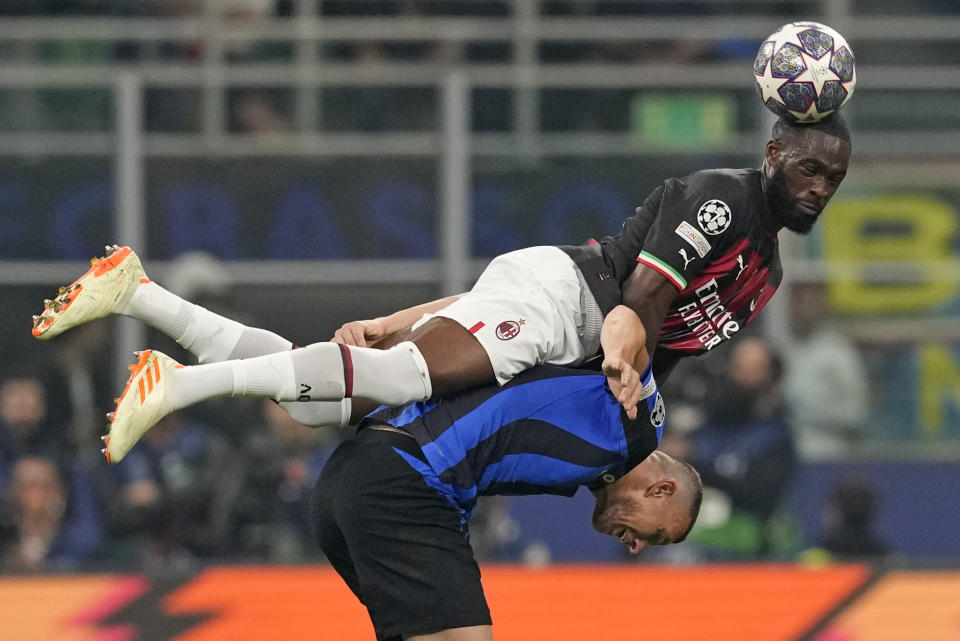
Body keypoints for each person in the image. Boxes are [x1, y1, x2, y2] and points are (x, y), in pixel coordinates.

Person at [32, 114, 851, 463]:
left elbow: (651, 356)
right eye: (810, 167)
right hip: (566, 303)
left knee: (324, 402)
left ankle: (138, 291)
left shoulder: (766, 272)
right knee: (401, 379)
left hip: (541, 309)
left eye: (834, 177)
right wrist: (624, 369)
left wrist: (403, 316)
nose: (820, 187)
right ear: (776, 153)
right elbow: (638, 305)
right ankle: (177, 383)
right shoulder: (727, 197)